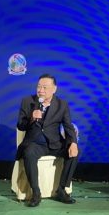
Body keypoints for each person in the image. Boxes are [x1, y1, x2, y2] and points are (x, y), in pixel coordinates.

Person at [16, 74, 79, 207]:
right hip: (35, 143)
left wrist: (73, 143)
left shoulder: (62, 104)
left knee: (74, 152)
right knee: (28, 153)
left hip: (55, 143)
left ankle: (61, 190)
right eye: (39, 87)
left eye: (45, 87)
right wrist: (31, 118)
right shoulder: (28, 101)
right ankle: (36, 193)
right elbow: (21, 126)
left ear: (54, 89)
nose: (41, 90)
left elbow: (68, 127)